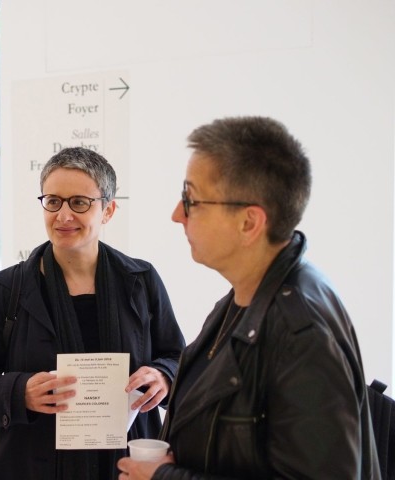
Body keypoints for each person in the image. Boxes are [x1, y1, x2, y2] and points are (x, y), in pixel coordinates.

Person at [117, 116, 381, 479]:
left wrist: (166, 477)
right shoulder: (244, 298)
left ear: (249, 223)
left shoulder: (301, 332)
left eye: (191, 200)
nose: (177, 215)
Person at [0, 147, 185, 480]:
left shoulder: (141, 280)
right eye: (53, 201)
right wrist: (19, 392)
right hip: (28, 464)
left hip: (125, 463)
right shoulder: (5, 289)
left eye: (79, 202)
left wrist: (162, 376)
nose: (63, 216)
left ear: (108, 210)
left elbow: (177, 357)